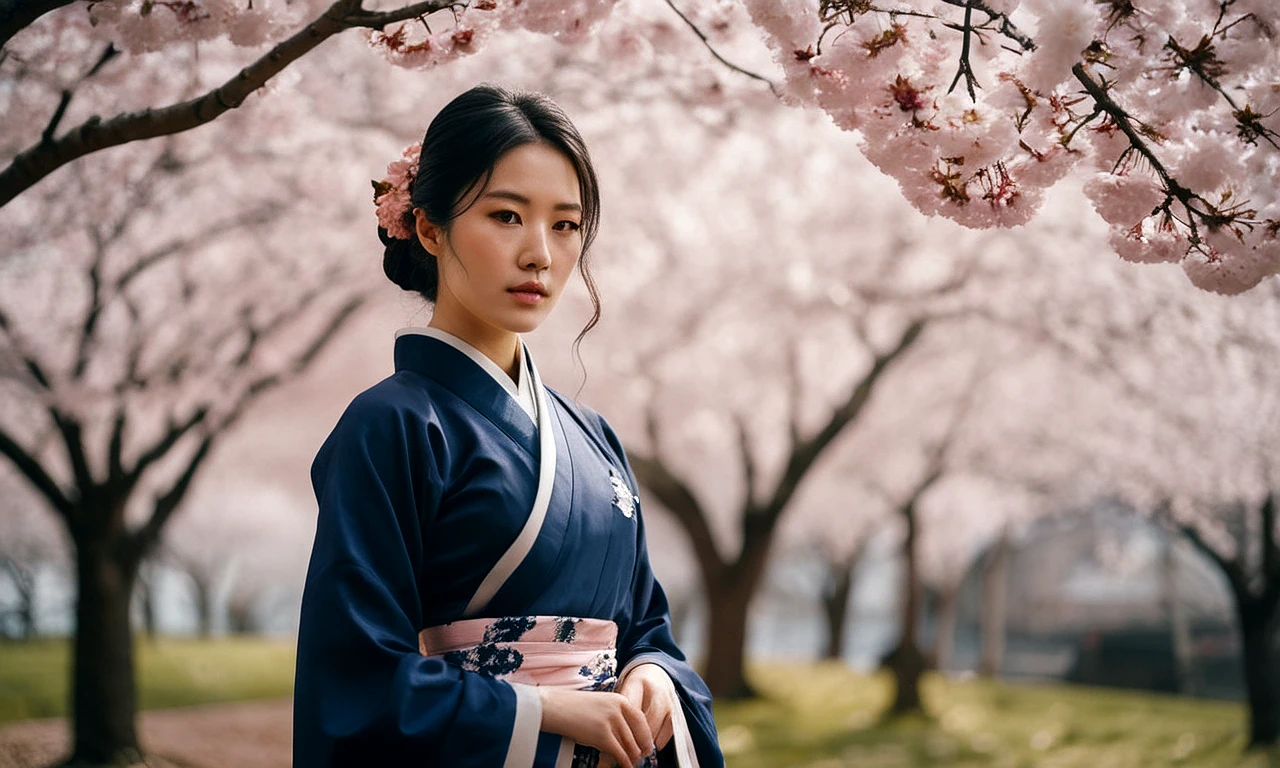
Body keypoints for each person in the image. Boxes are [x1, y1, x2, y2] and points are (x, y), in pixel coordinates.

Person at [292, 84, 724, 768]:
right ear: (430, 229)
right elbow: (355, 676)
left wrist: (651, 679)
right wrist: (544, 710)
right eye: (506, 216)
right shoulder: (390, 426)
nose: (541, 256)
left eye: (565, 225)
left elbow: (647, 628)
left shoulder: (596, 437)